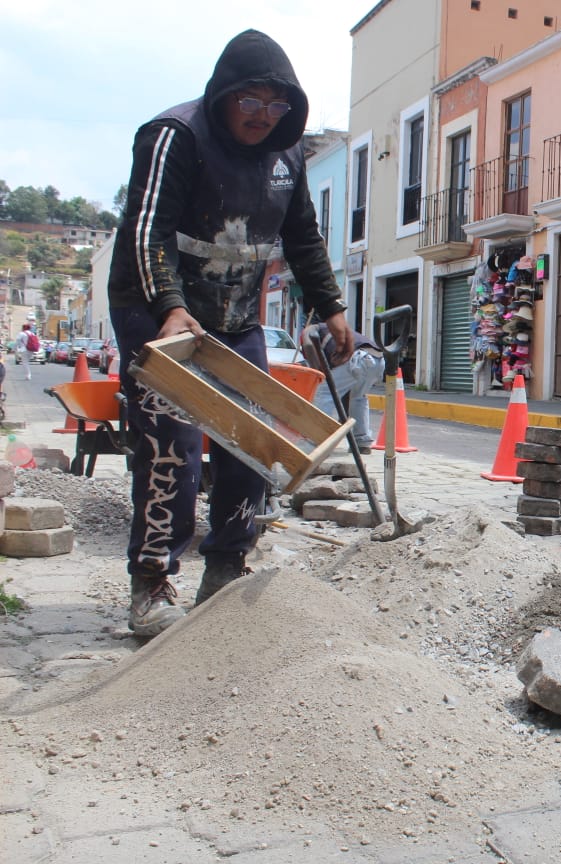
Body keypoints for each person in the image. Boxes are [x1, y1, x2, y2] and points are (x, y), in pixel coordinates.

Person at [107, 29, 353, 636]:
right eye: (250, 102)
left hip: (235, 314)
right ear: (223, 96)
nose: (262, 117)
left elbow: (303, 239)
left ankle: (225, 567)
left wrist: (331, 307)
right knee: (175, 446)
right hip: (158, 308)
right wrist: (167, 307)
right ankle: (151, 582)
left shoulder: (287, 156)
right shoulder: (176, 137)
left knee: (252, 443)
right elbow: (147, 233)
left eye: (276, 106)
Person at [301, 321, 384, 454]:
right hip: (377, 360)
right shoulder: (332, 331)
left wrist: (316, 371)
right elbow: (344, 390)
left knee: (324, 392)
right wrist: (343, 416)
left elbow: (309, 346)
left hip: (357, 358)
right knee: (357, 398)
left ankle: (314, 441)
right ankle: (361, 443)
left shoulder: (310, 330)